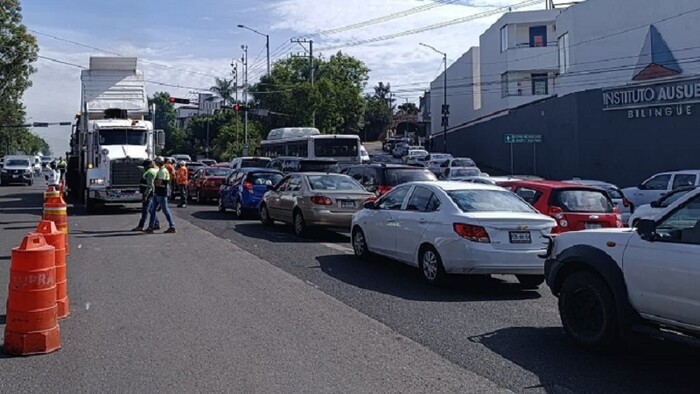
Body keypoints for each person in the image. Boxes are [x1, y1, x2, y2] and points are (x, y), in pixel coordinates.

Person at [144, 156, 176, 234]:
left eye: (156, 162)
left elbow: (159, 183)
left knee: (165, 210)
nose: (155, 163)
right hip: (158, 193)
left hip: (161, 193)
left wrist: (151, 182)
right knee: (152, 210)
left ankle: (172, 226)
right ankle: (151, 227)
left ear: (159, 163)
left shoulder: (162, 171)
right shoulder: (161, 170)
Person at [132, 159, 160, 231]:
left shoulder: (150, 173)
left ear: (148, 166)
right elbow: (140, 168)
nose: (144, 168)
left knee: (145, 210)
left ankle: (141, 226)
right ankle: (156, 223)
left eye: (145, 166)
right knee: (151, 209)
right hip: (149, 192)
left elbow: (150, 186)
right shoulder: (152, 170)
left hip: (147, 193)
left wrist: (146, 195)